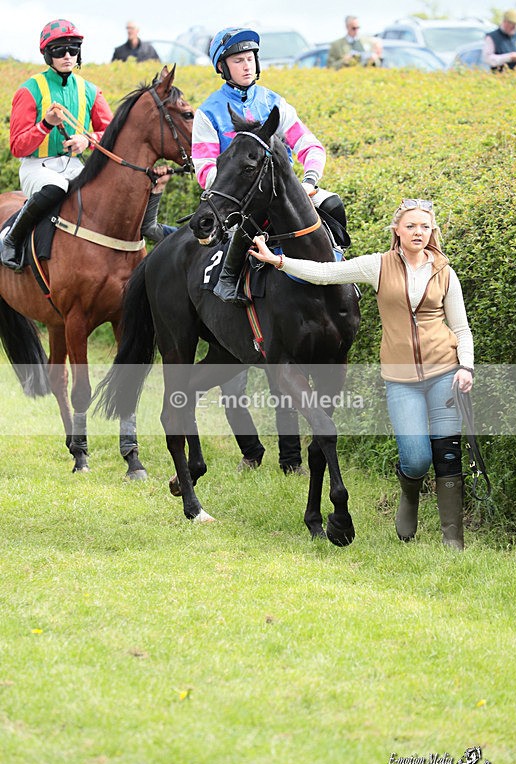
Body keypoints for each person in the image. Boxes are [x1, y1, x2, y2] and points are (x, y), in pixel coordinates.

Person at [250, 199, 475, 550]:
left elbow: (461, 328)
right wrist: (278, 260)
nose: (419, 232)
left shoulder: (445, 271)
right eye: (412, 226)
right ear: (397, 230)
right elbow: (325, 273)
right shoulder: (378, 266)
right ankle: (410, 498)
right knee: (416, 459)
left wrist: (466, 367)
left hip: (445, 371)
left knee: (447, 454)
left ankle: (453, 540)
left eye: (425, 227)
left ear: (432, 232)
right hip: (401, 379)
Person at [141, 169, 307, 475]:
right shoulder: (183, 242)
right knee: (233, 393)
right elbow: (150, 227)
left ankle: (290, 460)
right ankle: (252, 452)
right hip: (221, 323)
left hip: (250, 312)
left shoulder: (237, 229)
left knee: (278, 380)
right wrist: (156, 193)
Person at [191, 26, 332, 306]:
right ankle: (227, 279)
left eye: (250, 59)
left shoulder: (273, 103)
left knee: (333, 206)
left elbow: (309, 145)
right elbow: (205, 169)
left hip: (287, 192)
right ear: (223, 67)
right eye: (238, 61)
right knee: (248, 224)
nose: (247, 66)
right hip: (241, 199)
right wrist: (241, 188)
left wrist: (310, 181)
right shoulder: (208, 113)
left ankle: (342, 269)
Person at [3, 19, 113, 271]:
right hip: (36, 167)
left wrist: (87, 140)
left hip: (73, 163)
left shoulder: (90, 91)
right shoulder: (29, 90)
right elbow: (18, 147)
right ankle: (11, 239)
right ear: (47, 55)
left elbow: (110, 132)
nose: (67, 56)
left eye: (73, 50)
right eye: (59, 51)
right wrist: (46, 124)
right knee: (57, 188)